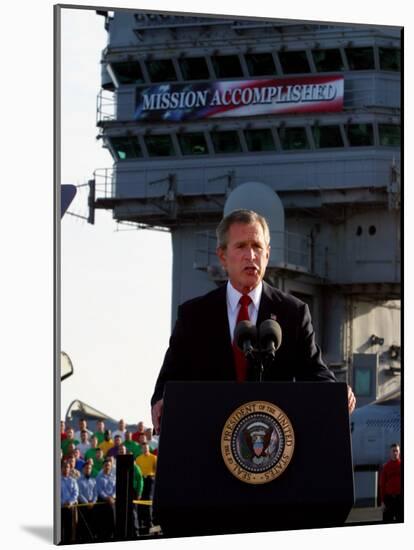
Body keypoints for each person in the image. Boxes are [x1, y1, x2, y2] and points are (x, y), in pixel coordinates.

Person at [151, 209, 356, 431]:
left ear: (267, 254)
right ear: (222, 256)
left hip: (273, 443)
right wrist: (161, 401)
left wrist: (337, 393)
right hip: (210, 438)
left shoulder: (293, 313)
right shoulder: (194, 315)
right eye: (241, 246)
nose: (251, 256)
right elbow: (170, 378)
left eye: (257, 247)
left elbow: (315, 373)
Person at [135, 442, 157, 534]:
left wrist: (152, 477)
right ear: (141, 449)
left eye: (146, 448)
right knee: (140, 500)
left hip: (150, 480)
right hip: (141, 481)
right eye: (143, 448)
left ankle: (150, 522)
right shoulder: (138, 459)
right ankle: (141, 522)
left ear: (149, 448)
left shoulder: (154, 457)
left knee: (148, 500)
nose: (145, 449)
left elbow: (156, 470)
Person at [380, 443, 402, 522]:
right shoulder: (386, 467)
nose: (395, 452)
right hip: (389, 499)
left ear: (399, 452)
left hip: (400, 499)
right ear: (390, 452)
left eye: (397, 451)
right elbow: (382, 485)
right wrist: (382, 502)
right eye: (393, 451)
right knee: (387, 522)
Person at [96, 459, 116, 540]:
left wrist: (113, 497)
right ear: (103, 466)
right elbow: (99, 490)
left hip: (112, 501)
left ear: (111, 466)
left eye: (109, 465)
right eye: (106, 465)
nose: (107, 467)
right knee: (104, 522)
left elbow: (116, 488)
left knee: (113, 521)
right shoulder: (99, 476)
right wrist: (107, 498)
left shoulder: (114, 476)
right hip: (103, 502)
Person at [77, 462, 97, 542]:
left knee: (92, 523)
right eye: (86, 468)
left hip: (93, 505)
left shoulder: (94, 480)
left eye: (89, 468)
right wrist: (86, 502)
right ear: (83, 469)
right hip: (83, 505)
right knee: (83, 525)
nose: (88, 470)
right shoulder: (78, 480)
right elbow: (79, 493)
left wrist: (94, 502)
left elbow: (96, 492)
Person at [61, 460, 79, 544]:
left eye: (67, 467)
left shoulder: (73, 480)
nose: (66, 469)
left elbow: (76, 493)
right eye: (64, 467)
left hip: (70, 508)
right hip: (59, 508)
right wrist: (62, 502)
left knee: (69, 528)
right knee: (60, 529)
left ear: (70, 469)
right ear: (61, 468)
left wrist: (70, 502)